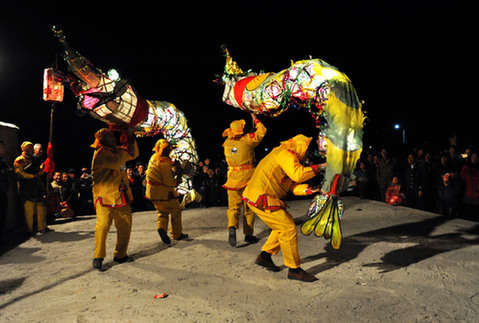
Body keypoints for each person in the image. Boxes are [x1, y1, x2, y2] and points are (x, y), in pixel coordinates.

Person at [242, 134, 322, 282]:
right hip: (261, 197)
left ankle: (265, 256)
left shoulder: (287, 157)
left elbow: (292, 186)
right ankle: (294, 269)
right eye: (307, 153)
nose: (307, 157)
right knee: (288, 228)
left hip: (258, 196)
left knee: (282, 226)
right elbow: (298, 175)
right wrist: (319, 167)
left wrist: (311, 190)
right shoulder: (286, 154)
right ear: (302, 148)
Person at [90, 127, 139, 271]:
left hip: (120, 195)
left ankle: (121, 255)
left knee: (125, 226)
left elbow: (134, 154)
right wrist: (125, 148)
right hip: (104, 196)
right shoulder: (100, 154)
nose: (112, 138)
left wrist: (130, 137)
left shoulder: (118, 151)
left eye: (112, 136)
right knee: (103, 226)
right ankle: (98, 256)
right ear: (102, 140)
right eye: (108, 137)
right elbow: (117, 162)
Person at [222, 113, 266, 247]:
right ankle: (248, 235)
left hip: (232, 179)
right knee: (249, 208)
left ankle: (231, 227)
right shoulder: (247, 140)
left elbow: (237, 148)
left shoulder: (227, 143)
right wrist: (255, 119)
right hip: (248, 178)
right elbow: (262, 132)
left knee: (233, 208)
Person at [145, 139, 189, 245]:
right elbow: (169, 182)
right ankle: (177, 234)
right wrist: (178, 176)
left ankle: (162, 228)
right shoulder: (164, 161)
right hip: (163, 192)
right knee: (176, 210)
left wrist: (173, 167)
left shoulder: (153, 157)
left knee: (162, 212)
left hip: (152, 192)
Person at [13, 141, 49, 235]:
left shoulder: (34, 159)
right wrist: (31, 176)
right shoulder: (20, 159)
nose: (30, 149)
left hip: (36, 186)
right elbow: (19, 173)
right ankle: (29, 230)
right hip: (26, 187)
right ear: (23, 148)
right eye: (28, 147)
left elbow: (39, 170)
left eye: (31, 147)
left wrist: (41, 169)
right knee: (29, 209)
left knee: (40, 207)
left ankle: (41, 227)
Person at [460, 151, 479, 218]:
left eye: (476, 157)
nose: (474, 158)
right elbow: (462, 177)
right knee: (468, 215)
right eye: (473, 157)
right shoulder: (467, 167)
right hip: (468, 195)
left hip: (476, 196)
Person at [0, 141, 10, 239]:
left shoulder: (2, 161)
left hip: (3, 191)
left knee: (3, 215)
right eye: (1, 147)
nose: (3, 150)